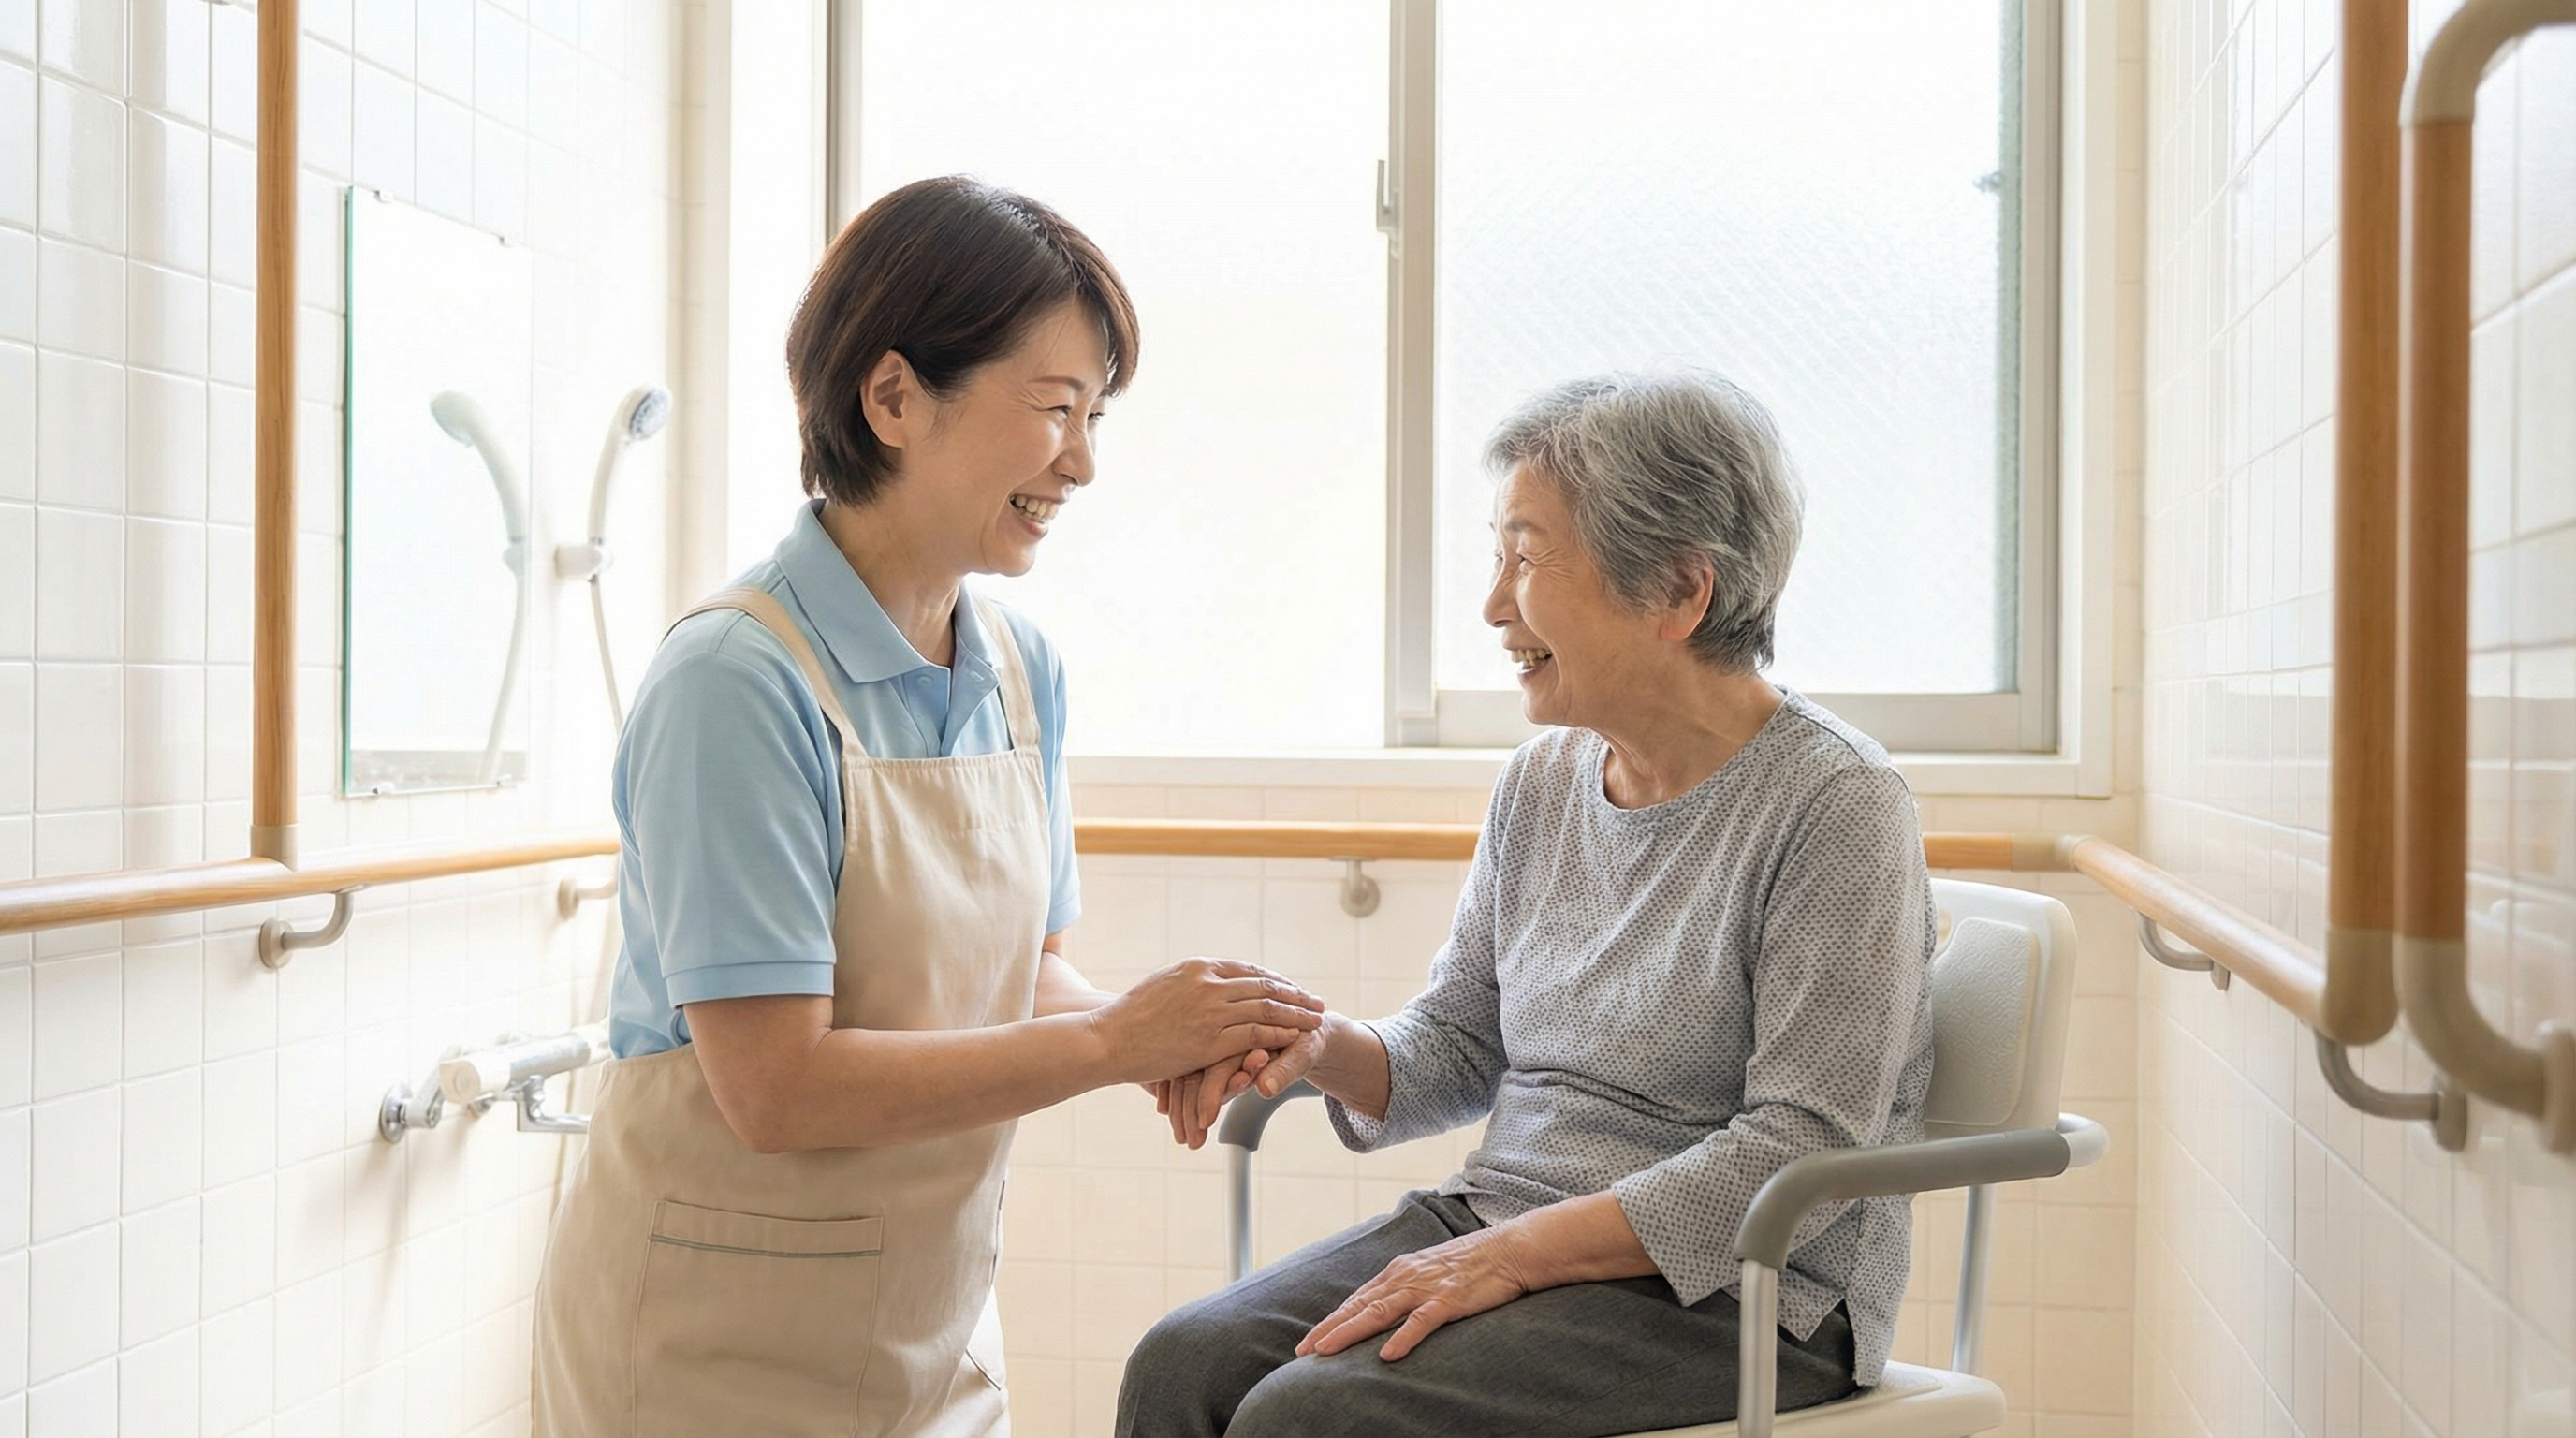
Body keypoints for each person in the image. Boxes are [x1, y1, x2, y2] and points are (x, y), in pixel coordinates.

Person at [531, 177, 1325, 1438]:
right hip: (707, 1351)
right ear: (893, 397)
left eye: (1095, 416)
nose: (1082, 462)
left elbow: (1026, 974)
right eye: (1055, 409)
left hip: (927, 1336)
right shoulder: (736, 682)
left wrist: (1162, 1030)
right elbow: (776, 1089)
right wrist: (1116, 1045)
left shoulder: (1019, 668)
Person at [1119, 371, 1938, 1437]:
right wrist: (1310, 1040)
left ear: (1679, 592)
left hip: (1741, 1293)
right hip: (1505, 1224)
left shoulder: (1836, 803)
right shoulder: (1544, 780)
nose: (1494, 604)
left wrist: (1511, 1256)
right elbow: (1462, 1044)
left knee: (1313, 1421)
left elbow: (1800, 1148)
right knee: (1181, 1366)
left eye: (1527, 556)